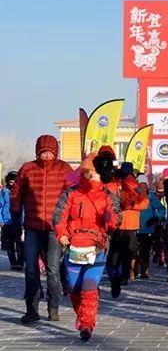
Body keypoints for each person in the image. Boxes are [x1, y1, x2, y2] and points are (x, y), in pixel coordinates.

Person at [52, 154, 121, 340]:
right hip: (73, 246)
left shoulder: (109, 197)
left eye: (96, 173)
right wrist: (62, 233)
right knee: (75, 288)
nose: (93, 177)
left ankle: (87, 324)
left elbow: (116, 218)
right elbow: (59, 215)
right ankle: (82, 315)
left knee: (89, 286)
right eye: (89, 173)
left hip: (96, 247)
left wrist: (110, 220)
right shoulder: (71, 193)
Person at [11, 135, 73, 323]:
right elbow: (16, 194)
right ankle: (32, 309)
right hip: (32, 227)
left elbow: (75, 192)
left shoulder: (65, 169)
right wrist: (15, 216)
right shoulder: (27, 169)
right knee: (30, 268)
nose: (46, 156)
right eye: (43, 152)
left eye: (50, 152)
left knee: (53, 269)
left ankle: (53, 307)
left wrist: (70, 223)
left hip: (55, 228)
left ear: (56, 152)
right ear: (37, 151)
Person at [106, 162, 148, 296]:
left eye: (127, 172)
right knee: (114, 254)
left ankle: (124, 276)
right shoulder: (115, 184)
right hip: (116, 224)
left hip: (130, 224)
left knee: (128, 252)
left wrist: (130, 204)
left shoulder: (138, 186)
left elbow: (145, 203)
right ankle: (114, 274)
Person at [135, 175, 166, 279]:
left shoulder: (151, 197)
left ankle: (144, 272)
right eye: (140, 186)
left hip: (147, 228)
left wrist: (156, 218)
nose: (142, 188)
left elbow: (161, 209)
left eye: (144, 186)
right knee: (134, 250)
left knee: (145, 251)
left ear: (147, 187)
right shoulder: (133, 195)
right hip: (134, 227)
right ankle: (133, 271)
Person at [1, 171, 24, 270]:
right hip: (6, 222)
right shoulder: (3, 192)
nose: (13, 184)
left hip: (18, 221)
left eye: (15, 182)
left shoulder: (21, 193)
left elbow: (24, 208)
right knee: (9, 244)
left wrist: (23, 221)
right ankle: (13, 263)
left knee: (20, 243)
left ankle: (20, 263)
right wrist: (1, 220)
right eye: (11, 182)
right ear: (7, 182)